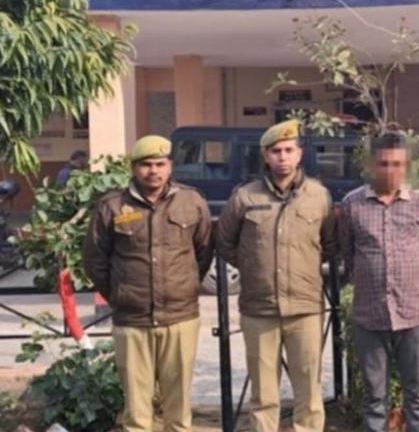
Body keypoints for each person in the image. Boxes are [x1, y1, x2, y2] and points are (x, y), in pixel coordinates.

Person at [83, 135, 212, 432]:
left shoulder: (192, 201)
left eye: (160, 164)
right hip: (132, 320)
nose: (153, 171)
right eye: (146, 165)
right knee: (137, 410)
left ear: (170, 167)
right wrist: (121, 294)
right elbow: (95, 260)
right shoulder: (111, 206)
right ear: (133, 168)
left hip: (180, 318)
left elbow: (203, 252)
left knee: (178, 408)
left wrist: (184, 287)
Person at [217, 119, 337, 432]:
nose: (282, 157)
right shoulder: (245, 197)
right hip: (260, 310)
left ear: (299, 154)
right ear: (265, 156)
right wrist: (254, 267)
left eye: (288, 150)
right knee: (263, 395)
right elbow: (225, 243)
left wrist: (302, 268)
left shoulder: (319, 196)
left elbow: (329, 244)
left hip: (305, 309)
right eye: (275, 151)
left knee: (309, 393)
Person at [338, 132, 419, 432]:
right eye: (383, 164)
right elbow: (347, 251)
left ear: (406, 166)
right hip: (370, 315)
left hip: (413, 314)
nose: (390, 170)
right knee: (374, 398)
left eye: (397, 164)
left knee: (418, 395)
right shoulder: (353, 205)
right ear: (372, 165)